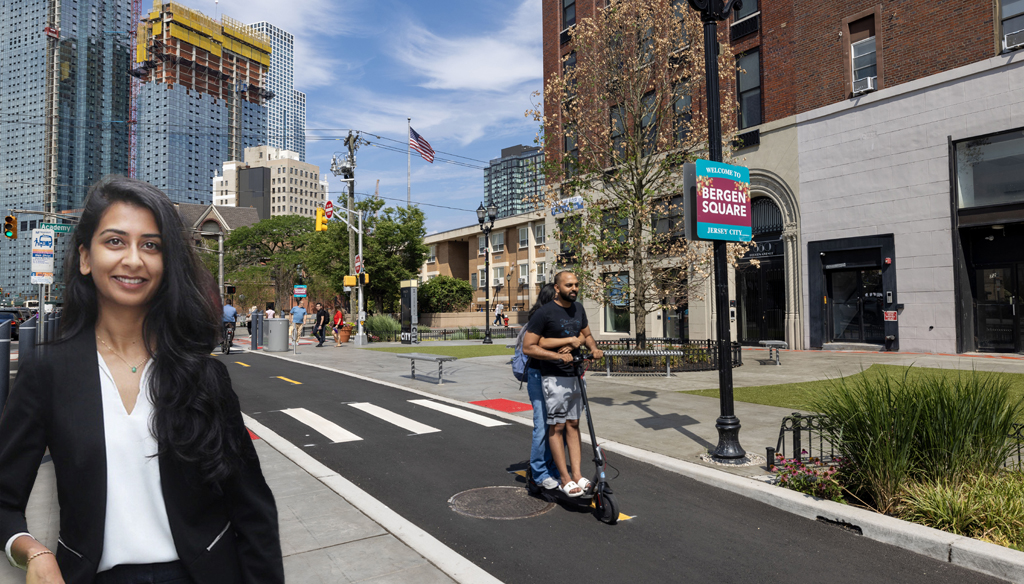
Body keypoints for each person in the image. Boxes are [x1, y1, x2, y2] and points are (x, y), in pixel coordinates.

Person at [0, 176, 283, 583]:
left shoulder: (203, 373)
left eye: (151, 245)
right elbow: (4, 499)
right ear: (85, 257)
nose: (134, 259)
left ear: (166, 263)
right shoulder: (48, 371)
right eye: (115, 241)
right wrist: (33, 552)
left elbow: (253, 511)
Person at [522, 271, 603, 498]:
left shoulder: (579, 309)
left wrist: (593, 348)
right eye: (569, 285)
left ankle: (576, 474)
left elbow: (586, 335)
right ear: (557, 288)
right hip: (553, 377)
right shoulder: (544, 313)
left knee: (573, 424)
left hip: (575, 375)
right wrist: (558, 356)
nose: (574, 288)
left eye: (576, 284)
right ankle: (563, 478)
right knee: (554, 427)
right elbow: (529, 347)